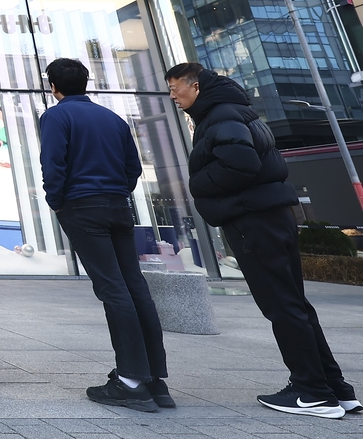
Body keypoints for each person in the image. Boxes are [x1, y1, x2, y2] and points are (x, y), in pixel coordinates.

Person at [166, 62, 360, 419]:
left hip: (253, 220)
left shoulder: (220, 115)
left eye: (175, 87)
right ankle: (335, 389)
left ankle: (312, 392)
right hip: (271, 216)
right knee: (293, 303)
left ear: (195, 86)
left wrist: (197, 186)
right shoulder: (234, 110)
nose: (173, 96)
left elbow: (240, 163)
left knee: (282, 306)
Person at [39, 58, 171, 414]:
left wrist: (57, 201)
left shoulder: (56, 116)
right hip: (118, 205)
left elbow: (54, 164)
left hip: (82, 207)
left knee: (113, 289)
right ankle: (154, 380)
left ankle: (129, 380)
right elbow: (133, 168)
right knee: (134, 285)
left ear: (54, 86)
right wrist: (116, 191)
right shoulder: (113, 119)